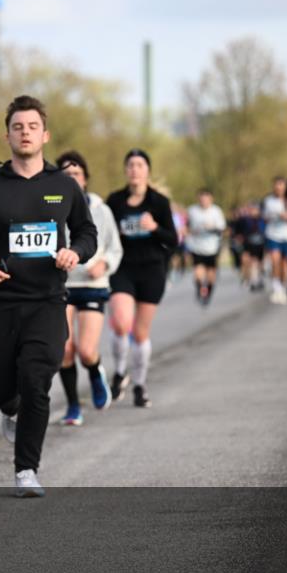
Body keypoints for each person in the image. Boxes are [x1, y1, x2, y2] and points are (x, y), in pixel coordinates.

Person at [0, 96, 97, 497]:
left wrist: (76, 252)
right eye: (18, 126)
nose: (25, 132)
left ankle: (26, 470)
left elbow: (87, 233)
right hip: (1, 303)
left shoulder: (64, 185)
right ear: (8, 135)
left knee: (37, 382)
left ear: (45, 134)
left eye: (33, 126)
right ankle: (8, 405)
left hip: (48, 302)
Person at [55, 151, 122, 426]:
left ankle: (95, 371)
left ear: (85, 179)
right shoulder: (50, 207)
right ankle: (73, 406)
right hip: (62, 285)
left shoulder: (101, 210)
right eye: (66, 175)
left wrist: (103, 265)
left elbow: (115, 249)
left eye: (76, 175)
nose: (72, 179)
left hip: (93, 285)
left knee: (85, 350)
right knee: (64, 350)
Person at [106, 149, 177, 408]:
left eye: (140, 165)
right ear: (126, 171)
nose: (135, 170)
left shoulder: (159, 202)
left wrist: (154, 228)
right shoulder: (114, 201)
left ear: (147, 170)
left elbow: (173, 240)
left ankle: (139, 385)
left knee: (140, 333)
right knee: (121, 323)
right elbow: (104, 234)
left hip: (151, 271)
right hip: (122, 270)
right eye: (131, 165)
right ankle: (119, 371)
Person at [185, 188, 227, 306]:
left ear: (211, 199)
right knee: (198, 272)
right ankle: (199, 290)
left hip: (212, 248)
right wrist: (190, 232)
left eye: (206, 199)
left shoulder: (216, 211)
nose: (203, 201)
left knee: (211, 275)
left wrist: (212, 227)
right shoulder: (192, 210)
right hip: (197, 247)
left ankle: (208, 292)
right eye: (201, 198)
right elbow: (186, 227)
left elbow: (222, 229)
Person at [261, 176, 287, 304]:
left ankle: (283, 287)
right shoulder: (269, 200)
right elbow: (265, 216)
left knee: (285, 264)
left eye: (281, 185)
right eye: (277, 185)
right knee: (275, 261)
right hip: (273, 235)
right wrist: (278, 215)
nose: (279, 188)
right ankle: (276, 288)